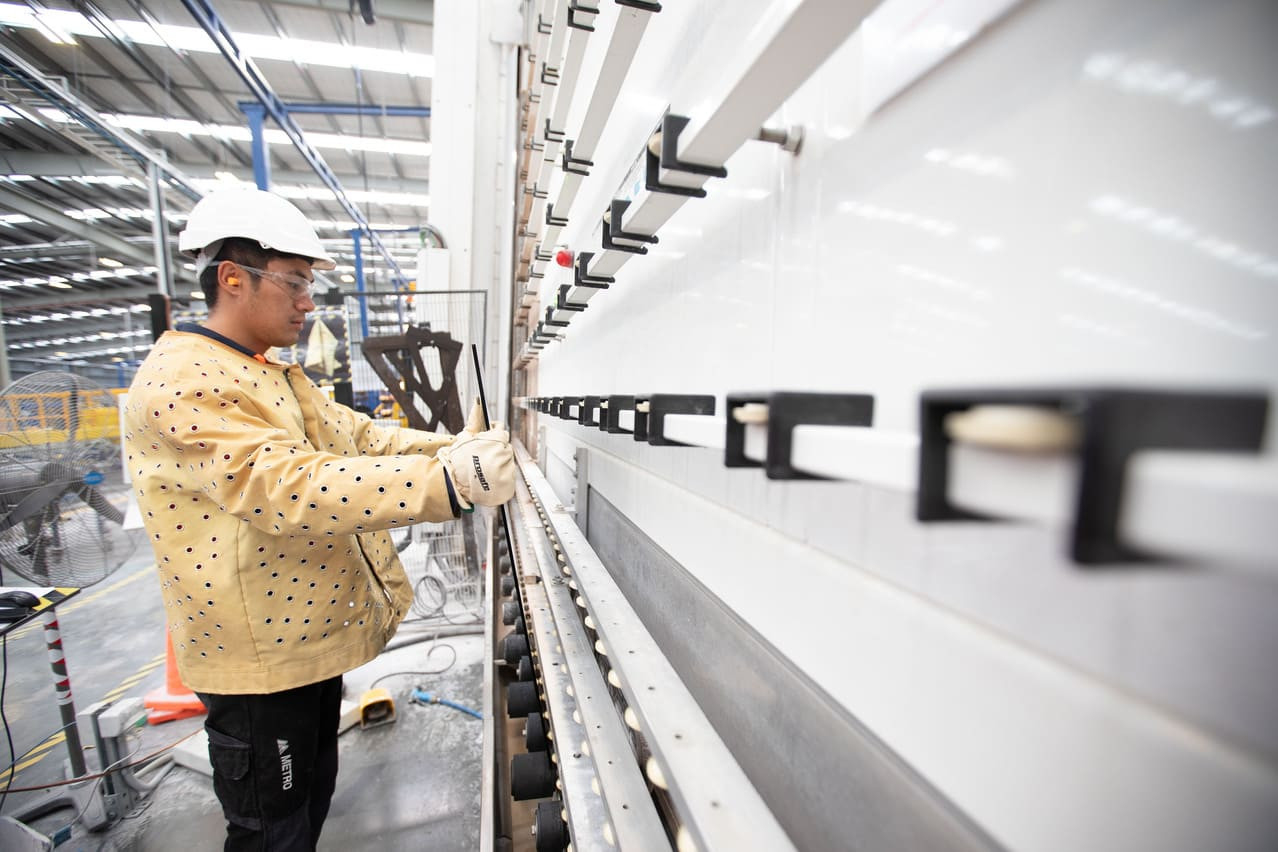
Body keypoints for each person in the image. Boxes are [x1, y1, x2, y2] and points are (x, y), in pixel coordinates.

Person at [121, 187, 515, 851]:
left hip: (303, 653)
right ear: (233, 279)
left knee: (307, 812)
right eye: (296, 283)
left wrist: (450, 446)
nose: (309, 302)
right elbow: (284, 486)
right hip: (256, 672)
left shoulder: (266, 372)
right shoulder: (181, 381)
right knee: (274, 835)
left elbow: (357, 440)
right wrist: (450, 482)